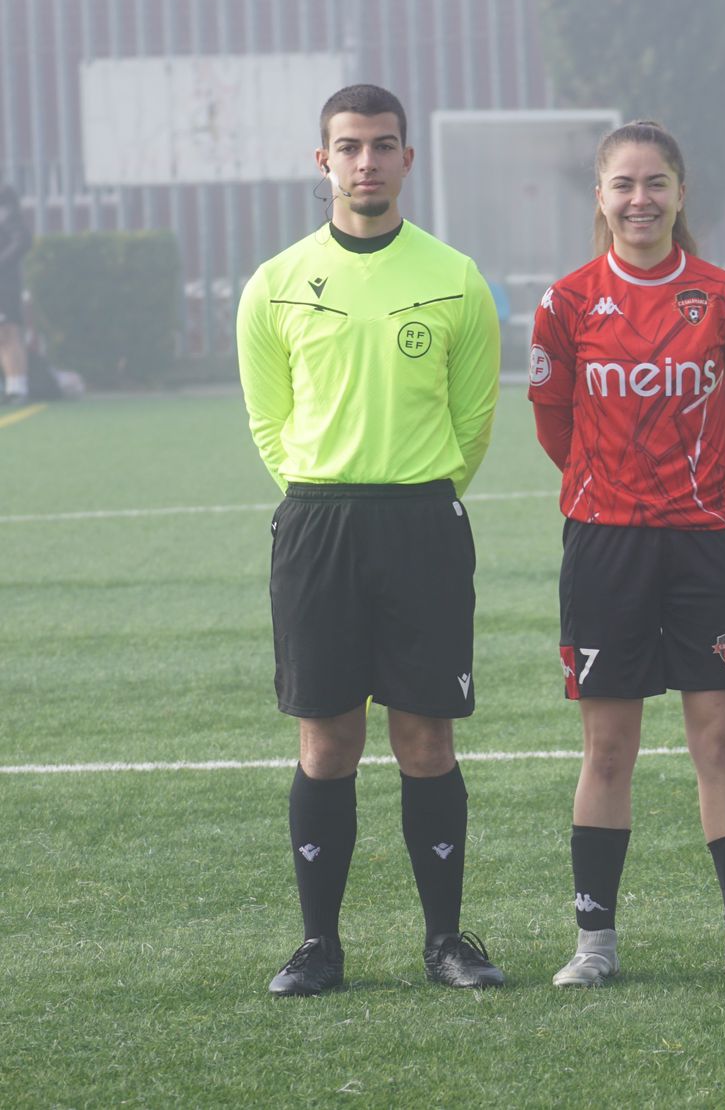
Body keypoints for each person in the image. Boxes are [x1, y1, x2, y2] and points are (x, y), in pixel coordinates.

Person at [235, 84, 504, 995]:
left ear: (407, 159)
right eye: (349, 147)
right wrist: (324, 489)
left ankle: (446, 941)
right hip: (317, 522)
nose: (367, 162)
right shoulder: (275, 283)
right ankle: (320, 945)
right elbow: (270, 422)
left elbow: (474, 423)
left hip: (423, 521)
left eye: (384, 146)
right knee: (328, 741)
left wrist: (416, 494)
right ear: (324, 162)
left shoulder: (455, 277)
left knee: (426, 739)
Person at [528, 120, 725, 987]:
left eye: (656, 183)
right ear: (600, 197)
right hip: (606, 545)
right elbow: (555, 424)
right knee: (608, 749)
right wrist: (616, 491)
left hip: (708, 542)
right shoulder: (565, 304)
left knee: (718, 742)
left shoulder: (723, 299)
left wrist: (696, 489)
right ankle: (593, 944)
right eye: (623, 185)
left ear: (680, 192)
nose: (640, 200)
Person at [0, 185, 29, 404]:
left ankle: (17, 388)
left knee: (7, 334)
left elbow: (22, 243)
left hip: (4, 286)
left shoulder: (8, 215)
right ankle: (13, 386)